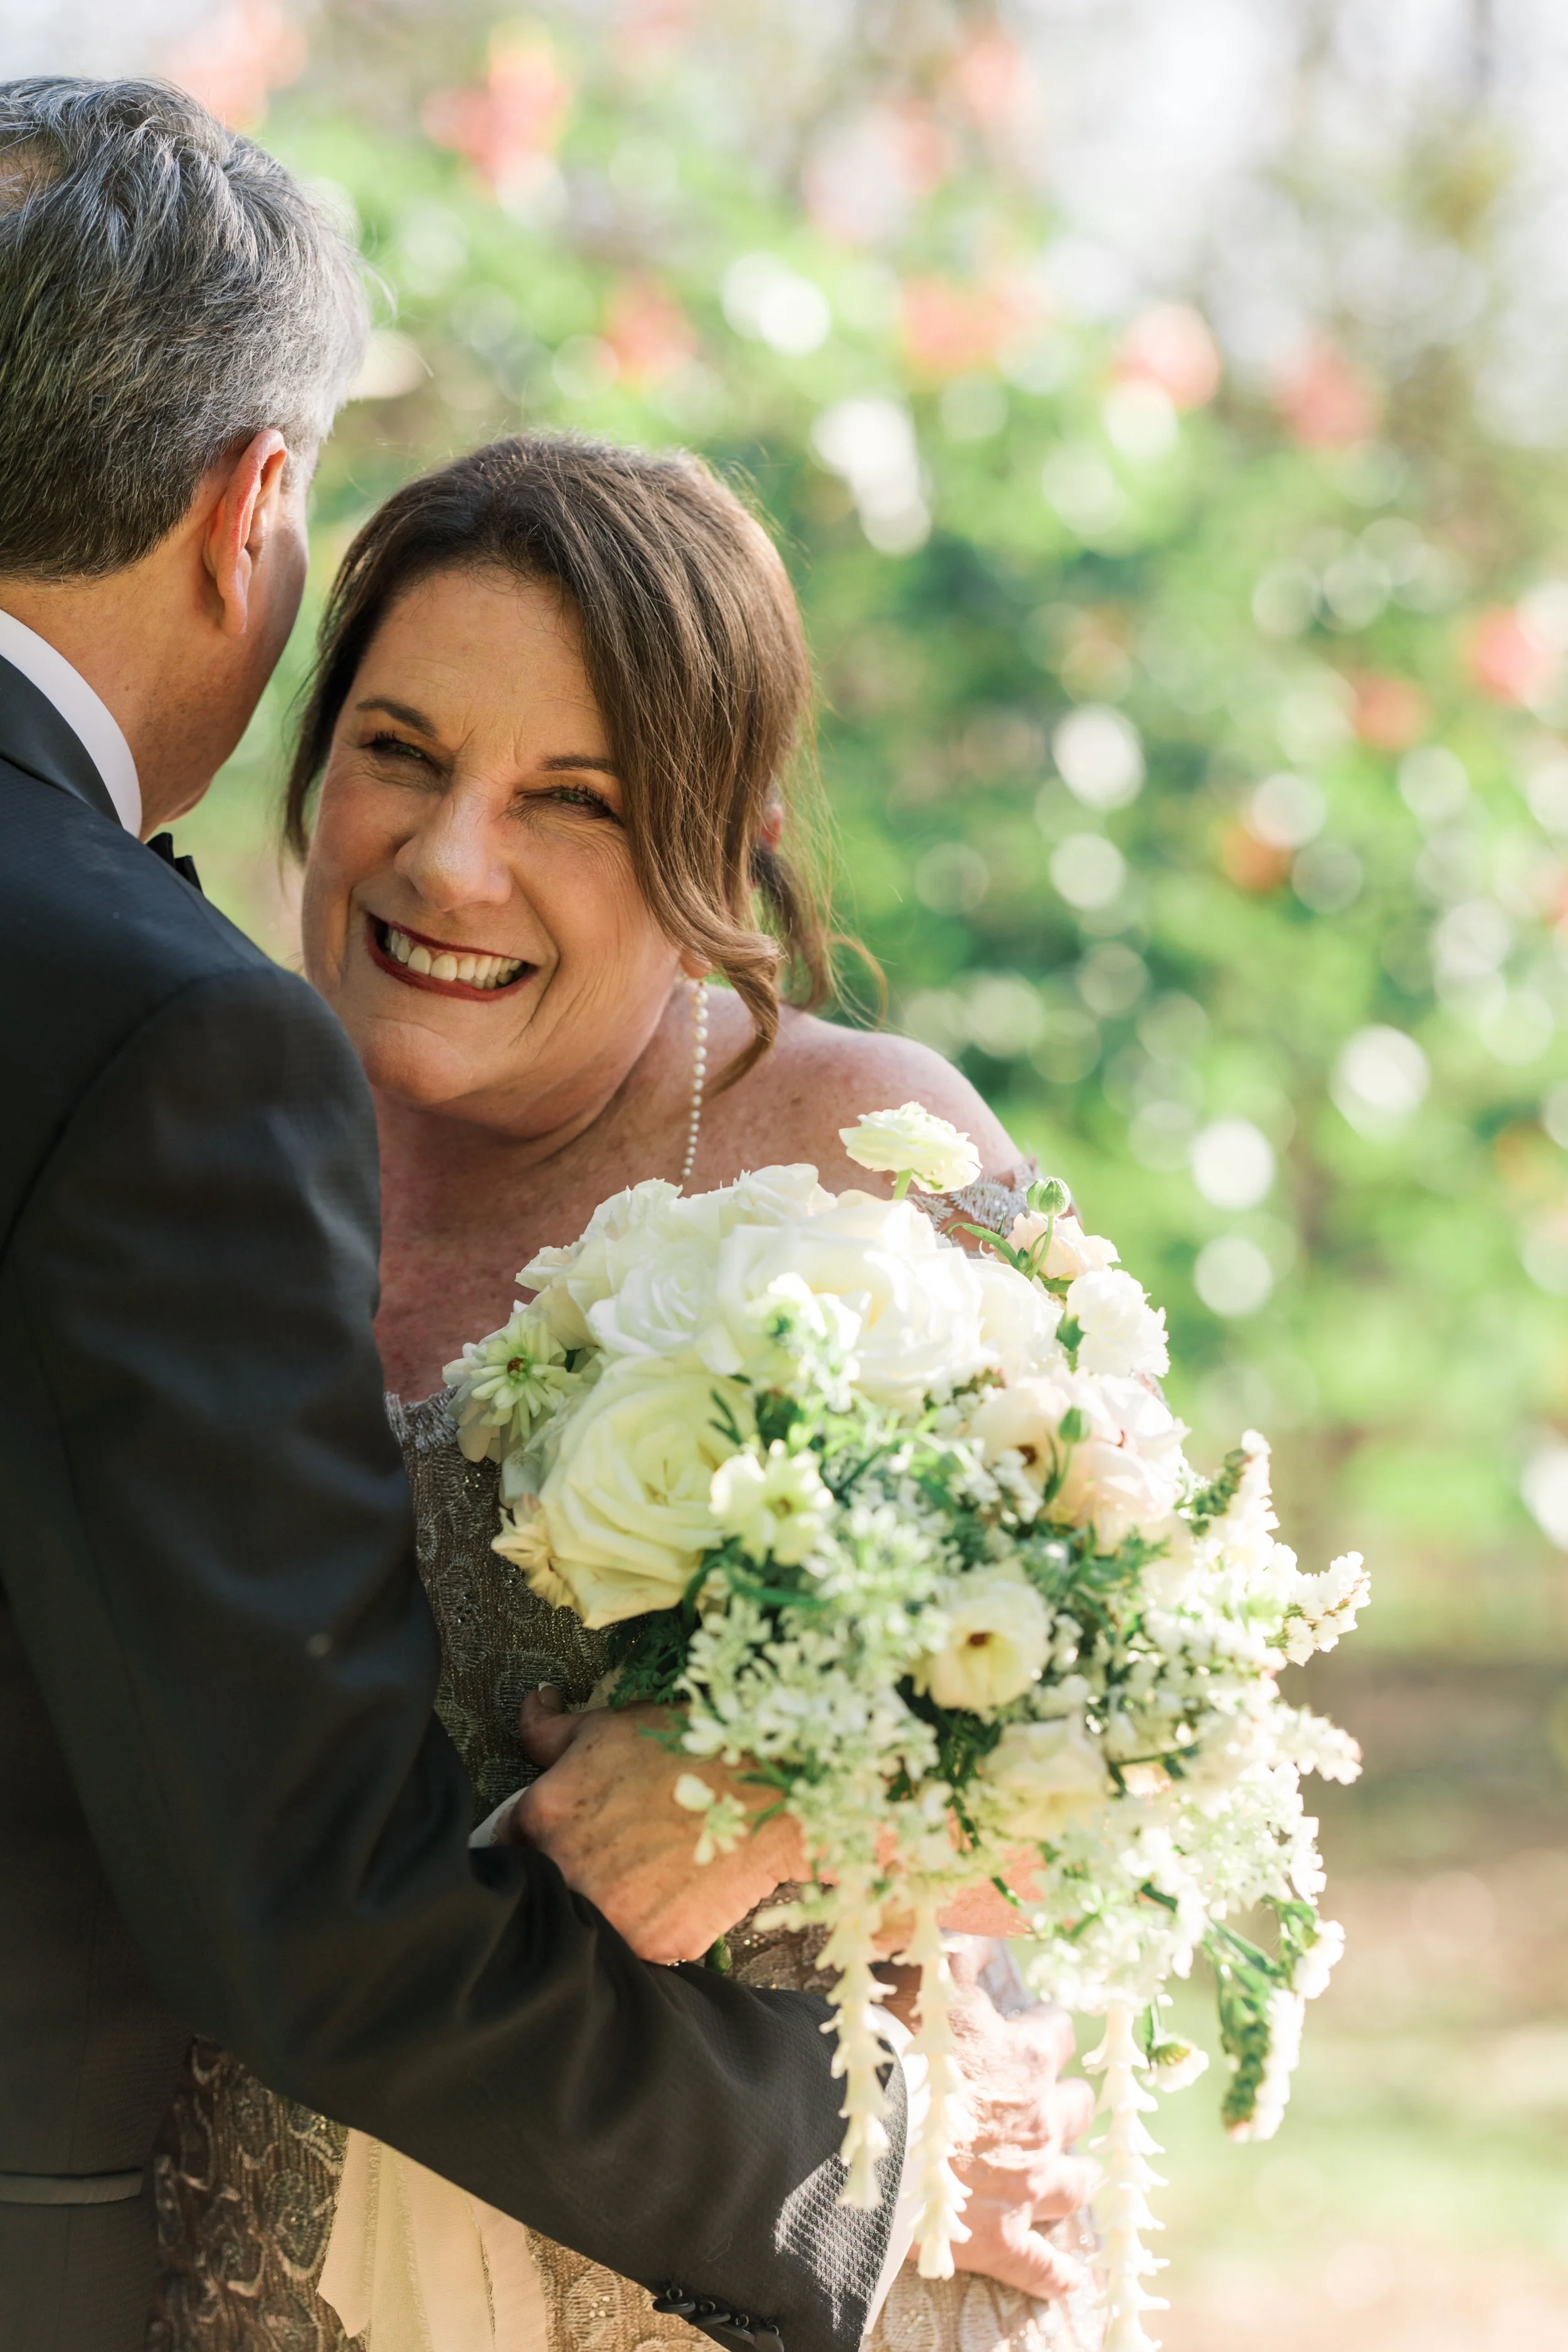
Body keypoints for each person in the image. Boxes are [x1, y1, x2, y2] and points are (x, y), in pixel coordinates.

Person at [0, 77, 1089, 2352]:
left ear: (706, 836)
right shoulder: (192, 1082)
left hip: (659, 2248)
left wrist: (785, 1767)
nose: (449, 861)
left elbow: (1096, 1718)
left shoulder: (855, 1170)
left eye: (570, 801)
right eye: (396, 750)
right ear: (259, 562)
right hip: (216, 2239)